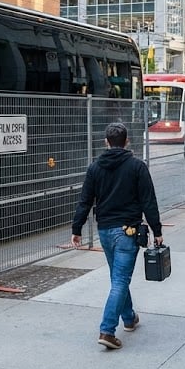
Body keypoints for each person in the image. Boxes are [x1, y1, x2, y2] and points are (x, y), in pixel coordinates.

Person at [71, 122, 163, 350]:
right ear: (127, 141)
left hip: (105, 231)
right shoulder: (137, 167)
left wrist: (76, 228)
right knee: (120, 280)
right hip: (127, 232)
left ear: (106, 142)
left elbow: (85, 200)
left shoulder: (95, 168)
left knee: (117, 279)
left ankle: (129, 318)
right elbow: (148, 202)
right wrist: (157, 230)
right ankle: (107, 330)